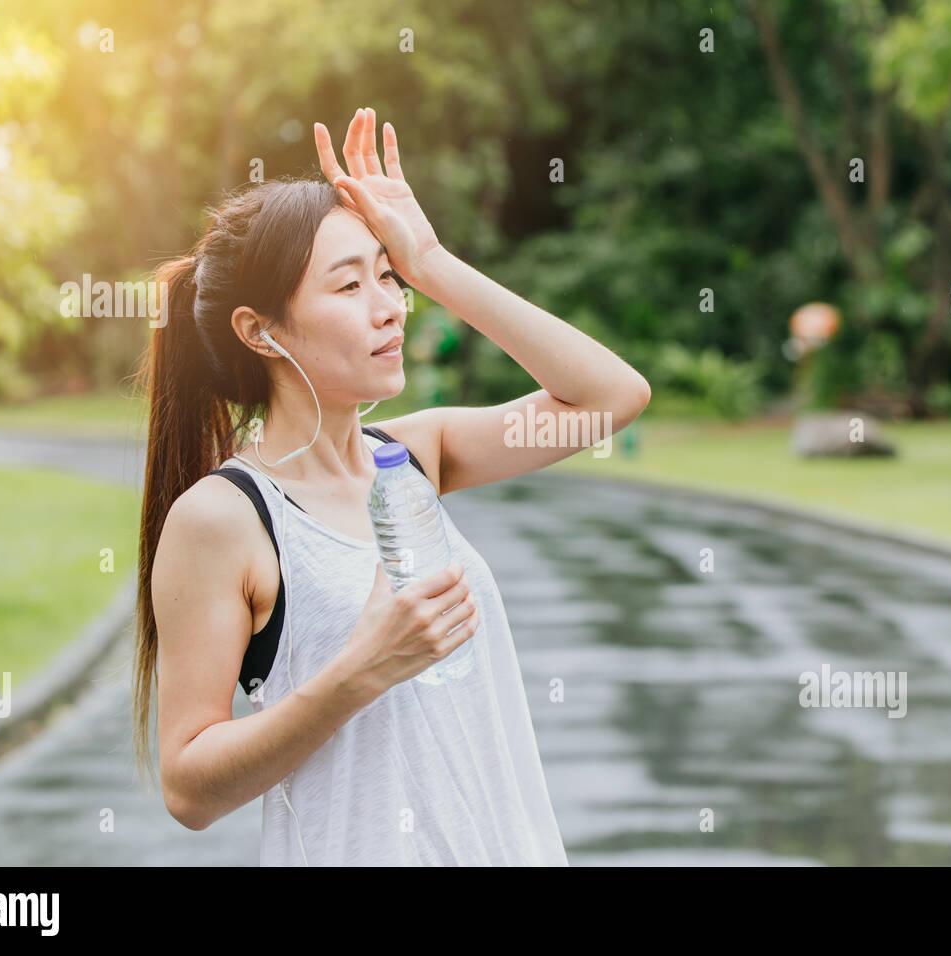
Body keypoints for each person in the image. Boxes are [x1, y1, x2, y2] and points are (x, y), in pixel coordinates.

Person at [131, 106, 651, 865]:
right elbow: (188, 785)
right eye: (348, 287)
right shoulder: (224, 518)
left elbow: (610, 399)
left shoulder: (416, 453)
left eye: (388, 277)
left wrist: (433, 261)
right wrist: (358, 671)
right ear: (261, 331)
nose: (389, 309)